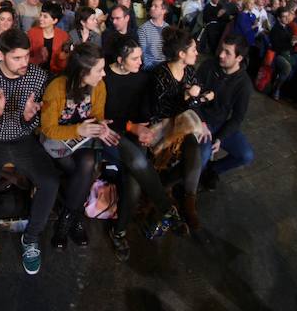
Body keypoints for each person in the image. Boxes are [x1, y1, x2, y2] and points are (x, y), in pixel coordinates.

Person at [0, 28, 55, 278]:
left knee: (49, 182)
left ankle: (31, 238)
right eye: (17, 58)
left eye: (27, 56)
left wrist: (29, 117)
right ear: (1, 55)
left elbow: (36, 119)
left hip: (23, 140)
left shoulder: (37, 76)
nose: (24, 62)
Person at [103, 39, 182, 261]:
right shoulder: (105, 78)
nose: (141, 61)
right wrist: (132, 127)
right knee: (138, 162)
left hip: (133, 134)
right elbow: (104, 117)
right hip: (109, 134)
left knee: (134, 183)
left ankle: (118, 232)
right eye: (135, 58)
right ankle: (166, 208)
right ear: (120, 60)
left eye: (141, 57)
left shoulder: (141, 76)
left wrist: (147, 130)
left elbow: (145, 109)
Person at [39, 43, 118, 249]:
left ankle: (66, 219)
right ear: (83, 72)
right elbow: (48, 129)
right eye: (99, 70)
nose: (103, 74)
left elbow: (97, 116)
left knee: (88, 162)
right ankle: (74, 216)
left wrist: (102, 127)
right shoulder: (56, 88)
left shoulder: (99, 86)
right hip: (58, 141)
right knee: (84, 170)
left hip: (83, 142)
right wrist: (77, 130)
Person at [152, 27, 213, 233]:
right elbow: (162, 110)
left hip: (181, 124)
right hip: (160, 126)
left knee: (194, 144)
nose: (197, 53)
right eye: (194, 49)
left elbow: (194, 103)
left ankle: (189, 201)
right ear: (181, 54)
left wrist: (198, 98)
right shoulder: (161, 73)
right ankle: (170, 190)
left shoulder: (189, 71)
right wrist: (193, 98)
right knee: (190, 142)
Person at [196, 35, 255, 191]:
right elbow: (192, 98)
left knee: (246, 155)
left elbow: (237, 118)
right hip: (200, 119)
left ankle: (212, 169)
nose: (221, 55)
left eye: (227, 52)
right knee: (203, 154)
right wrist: (201, 122)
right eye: (222, 50)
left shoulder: (244, 84)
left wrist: (220, 138)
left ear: (239, 58)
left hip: (220, 123)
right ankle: (191, 181)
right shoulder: (209, 66)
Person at [27, 1, 71, 75]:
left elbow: (63, 65)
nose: (41, 19)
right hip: (34, 72)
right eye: (40, 15)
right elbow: (26, 56)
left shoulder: (63, 36)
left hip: (55, 73)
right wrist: (39, 58)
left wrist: (61, 58)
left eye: (45, 17)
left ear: (55, 20)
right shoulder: (31, 33)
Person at [137, 0, 168, 71]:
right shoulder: (143, 29)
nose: (151, 8)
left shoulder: (167, 27)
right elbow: (142, 54)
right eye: (152, 6)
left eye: (155, 6)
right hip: (151, 67)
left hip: (165, 65)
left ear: (164, 10)